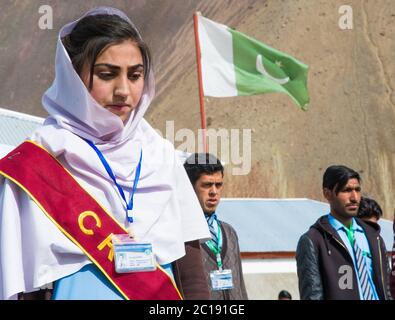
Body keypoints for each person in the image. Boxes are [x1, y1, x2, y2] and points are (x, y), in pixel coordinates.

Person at [0, 7, 211, 300]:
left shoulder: (160, 156)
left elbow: (190, 271)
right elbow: (22, 283)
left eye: (135, 75)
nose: (123, 90)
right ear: (73, 76)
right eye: (106, 74)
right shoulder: (35, 162)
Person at [296, 165, 391, 300]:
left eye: (357, 190)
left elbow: (387, 289)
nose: (354, 197)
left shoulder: (373, 236)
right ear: (327, 193)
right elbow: (312, 296)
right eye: (346, 190)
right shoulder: (314, 240)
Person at [183, 153, 248, 300]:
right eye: (206, 185)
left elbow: (241, 286)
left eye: (218, 185)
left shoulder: (229, 232)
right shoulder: (180, 233)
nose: (214, 192)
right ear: (189, 187)